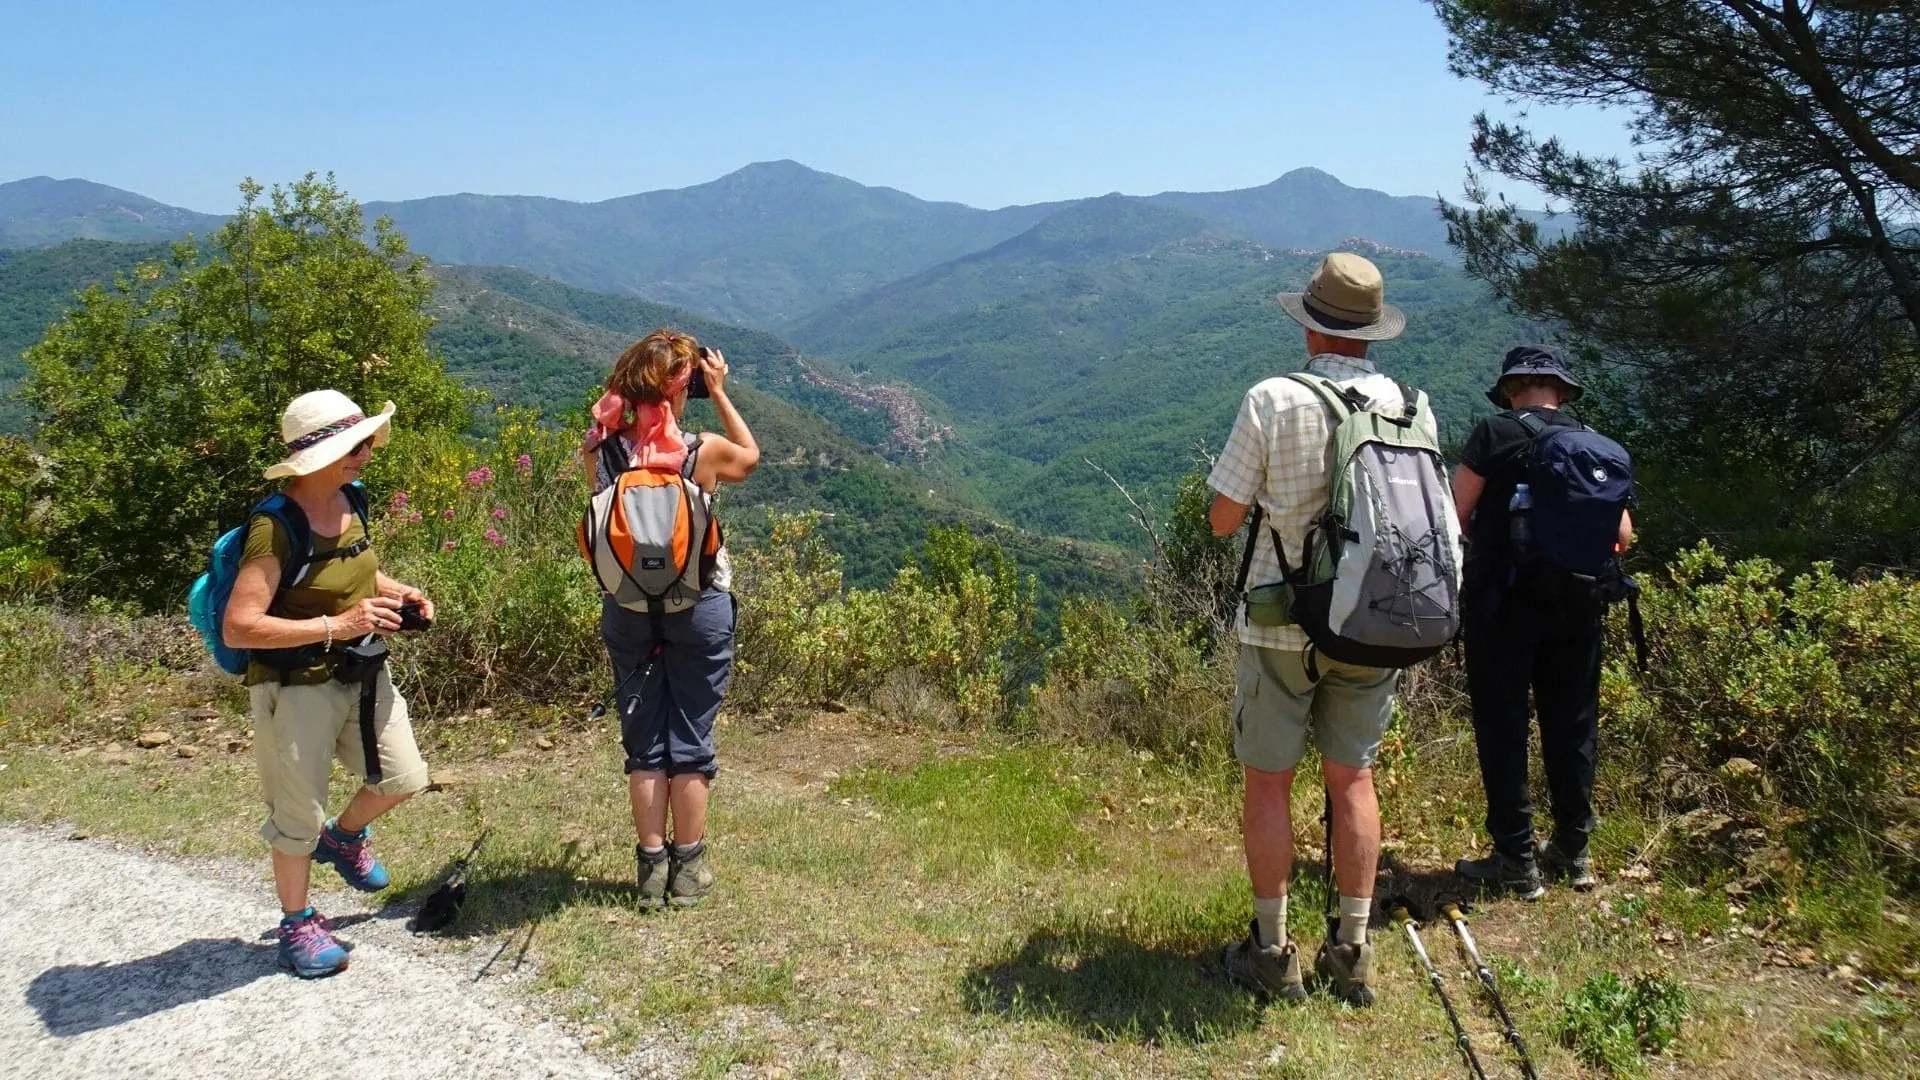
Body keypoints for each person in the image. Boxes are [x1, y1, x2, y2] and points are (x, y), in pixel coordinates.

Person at [1208, 252, 1423, 1006]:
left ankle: (1271, 952)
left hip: (1281, 624)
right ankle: (1353, 950)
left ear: (1309, 327)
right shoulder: (1410, 405)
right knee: (1353, 778)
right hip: (1373, 621)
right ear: (1371, 332)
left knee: (1269, 783)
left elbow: (1222, 519)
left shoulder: (1272, 398)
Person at [223, 389, 435, 979]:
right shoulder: (274, 526)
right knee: (297, 816)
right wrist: (336, 625)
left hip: (362, 671)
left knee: (404, 777)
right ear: (319, 455)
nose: (368, 453)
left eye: (366, 442)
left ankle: (343, 839)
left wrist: (400, 594)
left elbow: (358, 570)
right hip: (294, 689)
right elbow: (241, 625)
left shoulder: (350, 498)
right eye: (356, 446)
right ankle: (298, 924)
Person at [582, 330, 759, 909]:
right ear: (683, 389)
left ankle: (650, 870)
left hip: (629, 607)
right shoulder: (698, 450)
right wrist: (722, 391)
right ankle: (688, 871)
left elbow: (607, 530)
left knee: (644, 741)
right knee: (690, 736)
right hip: (699, 605)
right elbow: (749, 458)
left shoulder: (601, 449)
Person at [1451, 346, 1633, 898]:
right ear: (1561, 390)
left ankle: (1516, 859)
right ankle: (1574, 853)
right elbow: (1623, 537)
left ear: (1512, 389)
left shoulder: (1494, 433)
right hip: (1579, 606)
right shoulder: (1592, 443)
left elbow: (1452, 514)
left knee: (1503, 727)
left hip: (1502, 607)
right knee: (1572, 724)